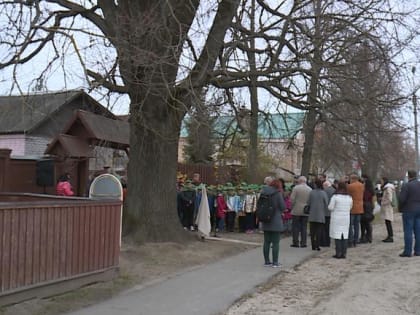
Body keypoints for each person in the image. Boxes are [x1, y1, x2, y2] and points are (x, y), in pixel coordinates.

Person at [261, 179, 286, 268]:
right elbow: (283, 207)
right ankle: (275, 262)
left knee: (266, 242)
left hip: (265, 220)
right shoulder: (278, 194)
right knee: (275, 243)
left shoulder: (263, 192)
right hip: (275, 220)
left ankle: (267, 261)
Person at [398, 170, 420, 257]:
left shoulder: (407, 185)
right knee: (418, 231)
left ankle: (408, 251)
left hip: (409, 210)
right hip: (419, 209)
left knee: (408, 231)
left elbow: (402, 199)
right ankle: (418, 250)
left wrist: (401, 208)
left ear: (409, 176)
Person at [328, 181, 353, 259]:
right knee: (344, 235)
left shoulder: (335, 197)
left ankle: (338, 253)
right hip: (346, 218)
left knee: (337, 235)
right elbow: (350, 207)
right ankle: (344, 253)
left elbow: (330, 207)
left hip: (337, 217)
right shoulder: (349, 197)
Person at [290, 176, 312, 248]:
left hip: (296, 209)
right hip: (305, 210)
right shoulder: (310, 189)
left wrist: (291, 207)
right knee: (304, 227)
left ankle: (295, 242)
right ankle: (303, 243)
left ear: (299, 181)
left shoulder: (296, 188)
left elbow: (292, 199)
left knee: (295, 226)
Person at [307, 179, 329, 251]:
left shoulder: (311, 192)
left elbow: (308, 202)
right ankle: (317, 245)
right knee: (319, 231)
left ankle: (313, 245)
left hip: (312, 214)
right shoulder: (323, 193)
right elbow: (326, 203)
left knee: (312, 231)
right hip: (320, 214)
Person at [346, 174, 364, 247]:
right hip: (359, 207)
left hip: (352, 207)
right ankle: (355, 241)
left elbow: (348, 194)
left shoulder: (350, 186)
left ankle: (350, 240)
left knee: (350, 225)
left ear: (352, 179)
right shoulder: (362, 185)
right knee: (357, 225)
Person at [360, 175, 375, 243]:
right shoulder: (372, 191)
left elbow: (363, 198)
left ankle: (364, 236)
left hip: (365, 206)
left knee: (363, 222)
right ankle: (369, 236)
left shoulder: (365, 191)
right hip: (370, 206)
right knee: (368, 222)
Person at [320, 180, 335, 247]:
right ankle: (328, 242)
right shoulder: (334, 190)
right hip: (331, 212)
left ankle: (323, 242)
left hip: (324, 211)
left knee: (323, 228)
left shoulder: (324, 191)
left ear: (325, 185)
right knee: (329, 227)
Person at [380, 176, 395, 243]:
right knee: (387, 222)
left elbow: (389, 199)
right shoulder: (387, 188)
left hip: (387, 207)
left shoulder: (388, 188)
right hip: (387, 207)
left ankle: (390, 236)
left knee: (388, 222)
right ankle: (389, 236)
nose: (381, 182)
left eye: (381, 181)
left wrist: (383, 202)